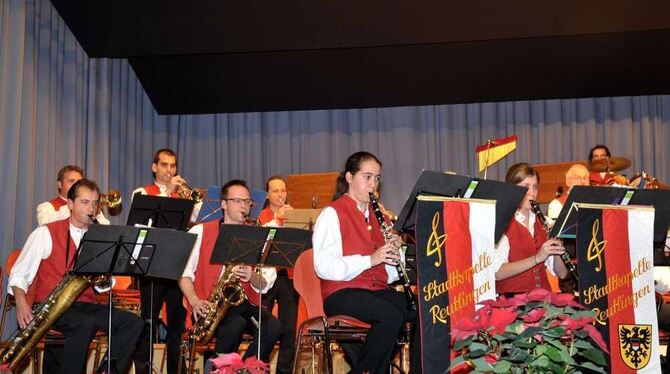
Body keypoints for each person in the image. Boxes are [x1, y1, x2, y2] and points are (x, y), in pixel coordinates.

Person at [8, 179, 144, 373]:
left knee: (134, 323)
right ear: (70, 204)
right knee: (84, 323)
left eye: (95, 203)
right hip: (50, 308)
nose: (92, 208)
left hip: (84, 306)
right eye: (85, 202)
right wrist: (21, 303)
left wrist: (105, 278)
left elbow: (100, 287)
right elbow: (19, 273)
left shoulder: (99, 237)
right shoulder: (45, 233)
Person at [312, 151, 419, 374]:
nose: (373, 184)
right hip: (341, 293)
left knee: (421, 310)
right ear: (350, 178)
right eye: (367, 177)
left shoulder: (380, 216)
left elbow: (389, 275)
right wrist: (370, 259)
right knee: (390, 314)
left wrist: (395, 251)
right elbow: (323, 266)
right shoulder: (332, 214)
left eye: (377, 178)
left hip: (376, 291)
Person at [179, 179, 281, 362]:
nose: (244, 206)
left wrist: (252, 276)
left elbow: (264, 284)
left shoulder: (256, 233)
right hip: (209, 305)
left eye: (247, 202)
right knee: (235, 325)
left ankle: (243, 370)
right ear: (224, 204)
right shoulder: (200, 231)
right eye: (238, 201)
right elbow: (184, 273)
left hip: (243, 303)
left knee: (273, 327)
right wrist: (194, 302)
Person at [131, 148, 200, 374]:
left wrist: (189, 199)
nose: (169, 170)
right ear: (154, 167)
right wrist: (168, 193)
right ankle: (144, 369)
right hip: (151, 263)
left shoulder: (181, 195)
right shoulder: (141, 192)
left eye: (172, 166)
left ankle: (175, 369)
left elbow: (199, 220)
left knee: (177, 323)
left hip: (176, 263)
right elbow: (141, 225)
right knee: (149, 320)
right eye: (164, 165)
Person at [494, 162, 569, 295]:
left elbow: (562, 274)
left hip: (544, 300)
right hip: (512, 303)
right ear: (511, 189)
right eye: (526, 187)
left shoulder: (544, 222)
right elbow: (498, 273)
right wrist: (537, 258)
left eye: (535, 187)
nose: (532, 193)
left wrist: (557, 251)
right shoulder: (501, 223)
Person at [258, 176, 296, 374]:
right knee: (266, 326)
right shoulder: (261, 216)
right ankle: (260, 367)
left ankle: (284, 371)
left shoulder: (294, 215)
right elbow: (261, 241)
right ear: (268, 195)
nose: (280, 194)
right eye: (275, 191)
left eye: (283, 190)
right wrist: (277, 219)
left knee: (289, 329)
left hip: (287, 275)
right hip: (266, 276)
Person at [36, 165, 109, 225]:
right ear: (60, 184)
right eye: (71, 181)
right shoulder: (46, 206)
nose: (76, 185)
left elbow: (106, 229)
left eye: (79, 182)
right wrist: (73, 206)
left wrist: (97, 214)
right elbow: (44, 223)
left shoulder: (91, 207)